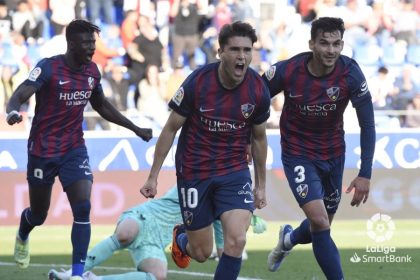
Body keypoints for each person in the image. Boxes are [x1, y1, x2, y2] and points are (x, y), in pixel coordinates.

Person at [5, 19, 153, 280]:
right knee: (39, 214)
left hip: (74, 149)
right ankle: (23, 232)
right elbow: (20, 93)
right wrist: (13, 110)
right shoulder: (49, 68)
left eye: (93, 42)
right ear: (71, 43)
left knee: (83, 207)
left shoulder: (93, 72)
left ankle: (76, 275)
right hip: (43, 150)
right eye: (86, 43)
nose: (92, 48)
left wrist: (135, 128)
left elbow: (102, 106)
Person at [140, 21, 271, 280]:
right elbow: (170, 129)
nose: (241, 56)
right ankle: (182, 237)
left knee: (236, 241)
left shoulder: (257, 89)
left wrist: (261, 185)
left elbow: (259, 138)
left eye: (247, 50)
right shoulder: (198, 82)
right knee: (201, 252)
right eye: (234, 50)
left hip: (233, 171)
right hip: (194, 171)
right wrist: (153, 176)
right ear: (220, 52)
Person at [262, 17, 376, 279]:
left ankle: (288, 240)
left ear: (342, 45)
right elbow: (254, 97)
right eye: (324, 43)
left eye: (336, 44)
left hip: (334, 154)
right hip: (297, 153)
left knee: (320, 225)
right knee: (321, 222)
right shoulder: (289, 70)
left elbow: (367, 123)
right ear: (312, 43)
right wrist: (247, 138)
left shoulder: (351, 73)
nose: (331, 50)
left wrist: (365, 173)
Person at [47, 186, 267, 280]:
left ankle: (91, 278)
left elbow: (223, 252)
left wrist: (238, 234)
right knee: (126, 234)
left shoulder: (219, 218)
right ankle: (74, 272)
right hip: (145, 217)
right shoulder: (193, 184)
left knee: (157, 276)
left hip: (157, 240)